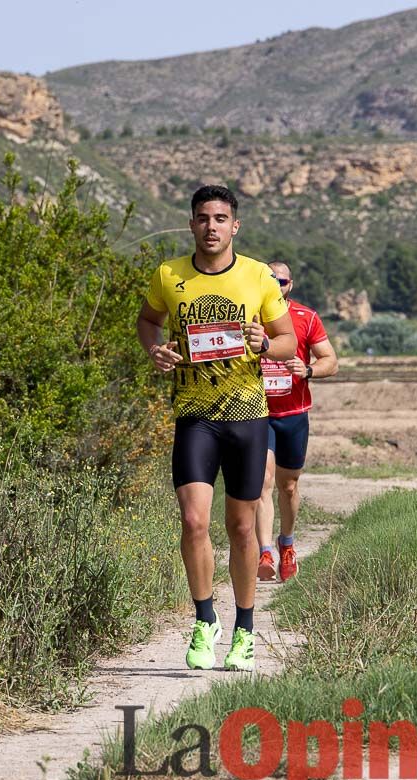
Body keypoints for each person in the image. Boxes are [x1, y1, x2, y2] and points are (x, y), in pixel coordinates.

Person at [136, 185, 297, 672]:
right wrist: (155, 348)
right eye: (203, 218)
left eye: (221, 218)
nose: (211, 226)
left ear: (235, 226)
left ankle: (245, 629)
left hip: (247, 415)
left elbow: (288, 341)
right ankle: (206, 622)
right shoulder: (170, 275)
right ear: (191, 224)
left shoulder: (257, 277)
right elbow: (147, 321)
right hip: (195, 414)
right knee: (193, 521)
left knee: (242, 526)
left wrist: (265, 344)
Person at [255, 261, 338, 582]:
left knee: (288, 486)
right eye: (270, 279)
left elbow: (330, 360)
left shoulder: (306, 317)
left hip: (293, 416)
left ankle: (286, 543)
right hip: (258, 415)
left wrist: (308, 370)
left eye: (282, 281)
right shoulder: (250, 317)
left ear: (291, 285)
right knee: (262, 482)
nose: (276, 285)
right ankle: (264, 552)